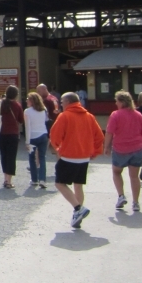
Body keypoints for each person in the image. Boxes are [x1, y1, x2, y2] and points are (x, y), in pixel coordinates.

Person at [49, 92, 104, 228]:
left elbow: (54, 135)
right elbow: (99, 136)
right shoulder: (89, 116)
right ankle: (77, 216)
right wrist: (95, 152)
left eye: (62, 101)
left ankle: (78, 208)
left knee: (60, 184)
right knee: (78, 185)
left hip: (68, 156)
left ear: (68, 102)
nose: (61, 104)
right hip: (84, 157)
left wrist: (56, 147)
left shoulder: (64, 116)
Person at [103, 91, 142, 212]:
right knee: (134, 176)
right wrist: (141, 147)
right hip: (137, 148)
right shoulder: (138, 115)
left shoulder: (115, 115)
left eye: (117, 101)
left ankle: (121, 196)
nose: (116, 103)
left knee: (116, 172)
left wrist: (106, 147)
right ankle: (136, 202)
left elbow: (109, 132)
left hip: (120, 149)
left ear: (122, 102)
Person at [0, 85, 24, 189]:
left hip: (0, 133)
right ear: (16, 95)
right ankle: (8, 180)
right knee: (11, 157)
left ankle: (5, 178)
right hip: (13, 134)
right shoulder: (17, 105)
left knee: (4, 155)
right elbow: (21, 120)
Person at [23, 91, 50, 188]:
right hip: (43, 135)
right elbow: (46, 121)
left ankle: (34, 179)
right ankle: (42, 179)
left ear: (32, 101)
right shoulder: (44, 109)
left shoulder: (27, 111)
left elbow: (28, 127)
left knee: (32, 158)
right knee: (42, 157)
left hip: (33, 137)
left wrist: (27, 141)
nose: (26, 100)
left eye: (28, 99)